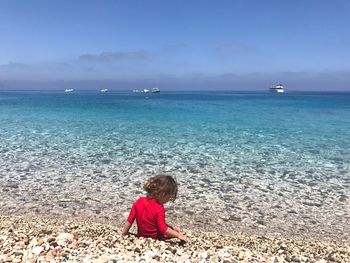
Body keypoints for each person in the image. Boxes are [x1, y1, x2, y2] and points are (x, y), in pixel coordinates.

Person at [122, 174, 188, 243]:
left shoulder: (139, 201)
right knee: (175, 232)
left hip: (141, 236)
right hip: (155, 238)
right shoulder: (159, 208)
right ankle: (175, 231)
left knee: (173, 229)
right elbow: (163, 229)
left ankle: (173, 229)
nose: (168, 200)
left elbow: (129, 220)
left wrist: (125, 233)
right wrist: (178, 235)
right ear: (163, 194)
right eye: (169, 197)